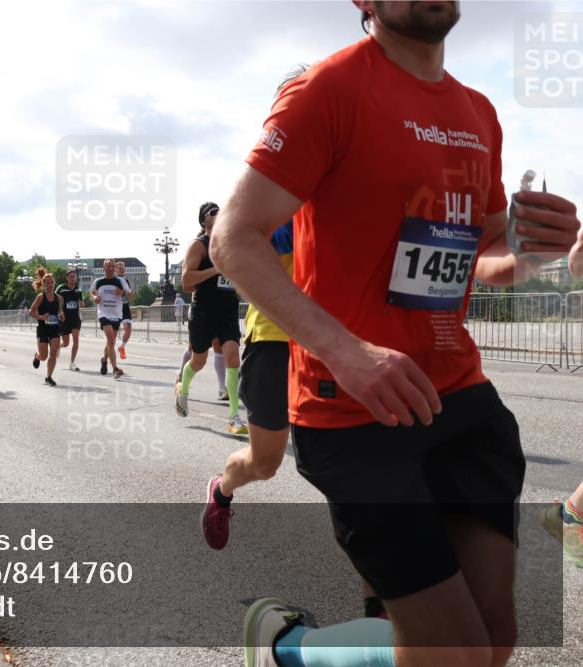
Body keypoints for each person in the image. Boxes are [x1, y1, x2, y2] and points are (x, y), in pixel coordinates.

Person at [212, 3, 581, 665]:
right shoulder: (327, 90)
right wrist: (346, 349)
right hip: (353, 409)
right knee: (454, 652)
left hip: (458, 399)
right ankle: (285, 647)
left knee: (491, 646)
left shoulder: (477, 112)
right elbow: (233, 237)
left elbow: (488, 253)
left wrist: (532, 249)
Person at [175, 202, 247, 435]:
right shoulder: (199, 245)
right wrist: (216, 269)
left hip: (227, 311)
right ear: (203, 221)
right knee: (198, 361)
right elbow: (186, 281)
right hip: (203, 312)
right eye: (212, 212)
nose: (219, 214)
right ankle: (182, 388)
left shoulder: (232, 246)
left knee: (233, 357)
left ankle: (234, 417)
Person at [90, 258, 126, 379]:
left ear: (114, 268)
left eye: (112, 266)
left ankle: (104, 360)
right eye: (108, 266)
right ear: (104, 268)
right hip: (104, 313)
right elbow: (92, 292)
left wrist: (122, 293)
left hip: (116, 314)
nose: (110, 268)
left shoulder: (120, 281)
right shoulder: (98, 281)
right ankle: (115, 368)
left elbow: (129, 294)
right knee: (110, 338)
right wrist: (95, 297)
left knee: (111, 342)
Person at [29, 267, 65, 386]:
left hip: (54, 329)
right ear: (43, 285)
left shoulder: (59, 298)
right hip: (43, 329)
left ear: (54, 283)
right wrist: (42, 317)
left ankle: (49, 377)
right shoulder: (41, 297)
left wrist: (61, 315)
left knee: (53, 353)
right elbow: (31, 312)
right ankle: (37, 356)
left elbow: (59, 312)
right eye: (47, 283)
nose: (50, 285)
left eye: (52, 282)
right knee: (44, 356)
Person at [57, 270, 83, 371]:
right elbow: (54, 299)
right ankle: (60, 346)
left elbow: (81, 302)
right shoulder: (61, 288)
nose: (73, 278)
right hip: (64, 318)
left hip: (75, 318)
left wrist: (82, 304)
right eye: (71, 276)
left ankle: (72, 363)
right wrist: (59, 312)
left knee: (76, 338)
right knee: (66, 343)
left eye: (74, 276)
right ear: (67, 278)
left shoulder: (78, 290)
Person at [114, 261, 134, 359]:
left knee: (129, 328)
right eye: (120, 268)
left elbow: (129, 295)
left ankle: (122, 347)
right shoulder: (114, 281)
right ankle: (108, 354)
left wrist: (126, 293)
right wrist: (123, 292)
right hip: (114, 308)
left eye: (123, 268)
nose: (122, 270)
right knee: (113, 333)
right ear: (116, 270)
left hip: (125, 307)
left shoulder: (126, 281)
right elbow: (117, 293)